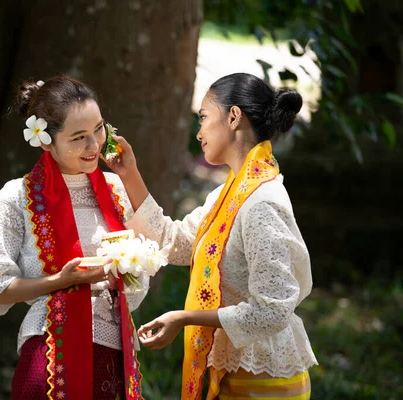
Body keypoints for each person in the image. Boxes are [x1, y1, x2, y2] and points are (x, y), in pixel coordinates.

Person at [104, 73, 317, 399]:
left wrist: (186, 317)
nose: (199, 131)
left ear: (234, 117)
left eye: (204, 117)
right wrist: (128, 172)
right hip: (234, 372)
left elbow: (273, 310)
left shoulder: (261, 202)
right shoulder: (229, 193)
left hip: (264, 382)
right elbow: (175, 243)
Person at [0, 76, 148, 400]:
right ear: (46, 141)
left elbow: (145, 267)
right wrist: (59, 280)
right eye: (79, 137)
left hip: (114, 355)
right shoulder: (18, 197)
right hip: (49, 357)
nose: (94, 146)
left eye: (99, 129)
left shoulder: (117, 190)